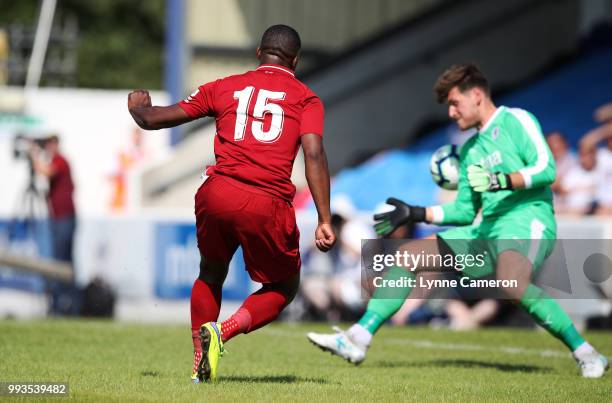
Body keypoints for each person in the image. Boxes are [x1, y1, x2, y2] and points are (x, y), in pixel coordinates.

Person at [307, 63, 608, 378]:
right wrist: (417, 212)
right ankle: (358, 337)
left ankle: (586, 353)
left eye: (454, 103)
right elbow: (465, 210)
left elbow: (547, 169)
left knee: (512, 282)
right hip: (485, 230)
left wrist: (501, 180)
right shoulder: (471, 150)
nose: (451, 112)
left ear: (476, 95)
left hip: (526, 220)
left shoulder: (515, 120)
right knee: (408, 255)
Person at [127, 24, 336, 383]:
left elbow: (154, 119)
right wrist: (324, 218)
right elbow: (314, 153)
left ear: (259, 53)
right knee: (284, 287)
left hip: (217, 192)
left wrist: (139, 109)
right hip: (265, 200)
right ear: (296, 61)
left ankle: (198, 361)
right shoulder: (306, 98)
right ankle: (222, 333)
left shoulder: (224, 86)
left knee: (211, 272)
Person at [30, 135, 78, 315]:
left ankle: (65, 304)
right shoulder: (57, 160)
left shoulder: (60, 160)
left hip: (64, 218)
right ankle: (64, 303)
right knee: (61, 260)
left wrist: (34, 155)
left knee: (62, 261)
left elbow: (46, 171)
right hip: (60, 217)